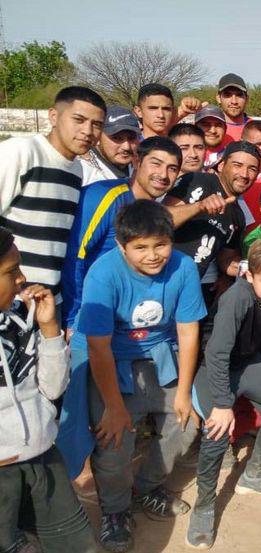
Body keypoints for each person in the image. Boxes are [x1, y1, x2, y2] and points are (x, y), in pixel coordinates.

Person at [69, 201, 206, 551]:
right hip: (109, 357)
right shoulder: (103, 273)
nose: (153, 255)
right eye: (140, 247)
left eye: (161, 244)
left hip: (159, 351)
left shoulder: (184, 267)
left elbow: (188, 330)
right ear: (121, 245)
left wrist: (183, 392)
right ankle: (115, 510)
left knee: (187, 422)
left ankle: (146, 487)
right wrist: (114, 407)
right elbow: (98, 346)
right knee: (113, 436)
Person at [187, 238, 261, 550]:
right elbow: (217, 353)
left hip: (250, 362)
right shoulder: (236, 297)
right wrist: (223, 404)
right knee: (217, 429)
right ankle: (204, 506)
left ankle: (253, 475)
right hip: (213, 367)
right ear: (250, 275)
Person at [0, 229, 96, 553]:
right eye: (11, 271)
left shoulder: (20, 320)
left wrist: (49, 329)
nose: (22, 278)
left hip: (43, 457)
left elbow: (53, 389)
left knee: (74, 543)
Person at [62, 137, 184, 334]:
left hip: (126, 319)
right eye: (156, 164)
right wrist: (73, 318)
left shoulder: (155, 211)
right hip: (91, 314)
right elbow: (75, 256)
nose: (163, 174)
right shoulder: (105, 196)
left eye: (172, 169)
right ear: (136, 161)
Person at [0, 86, 105, 303]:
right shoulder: (21, 152)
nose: (88, 131)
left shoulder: (77, 170)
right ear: (54, 116)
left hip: (47, 300)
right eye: (79, 120)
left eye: (96, 124)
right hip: (13, 298)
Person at [164, 141, 258, 307]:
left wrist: (251, 269)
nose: (244, 174)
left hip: (189, 293)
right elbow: (158, 220)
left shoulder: (239, 215)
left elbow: (226, 259)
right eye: (237, 165)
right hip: (159, 281)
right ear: (221, 166)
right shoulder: (198, 180)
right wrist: (199, 206)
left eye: (252, 169)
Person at [80, 105, 140, 185]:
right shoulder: (83, 172)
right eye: (117, 138)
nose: (126, 147)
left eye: (132, 138)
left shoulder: (142, 169)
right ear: (98, 137)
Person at [216, 73, 251, 141]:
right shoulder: (208, 129)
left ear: (247, 99)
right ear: (218, 98)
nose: (234, 101)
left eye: (239, 95)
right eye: (227, 95)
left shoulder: (258, 129)